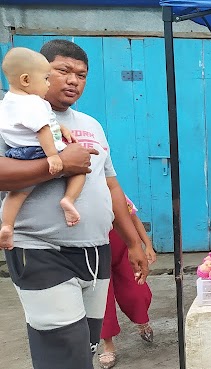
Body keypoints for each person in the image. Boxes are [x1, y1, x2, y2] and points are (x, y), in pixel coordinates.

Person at [0, 39, 149, 369]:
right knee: (62, 351)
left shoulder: (91, 124)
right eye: (63, 71)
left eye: (81, 75)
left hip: (96, 251)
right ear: (37, 73)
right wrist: (60, 164)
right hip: (41, 250)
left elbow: (111, 186)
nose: (73, 80)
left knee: (87, 345)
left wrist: (133, 243)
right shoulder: (11, 114)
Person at [0, 47, 86, 251]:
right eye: (46, 78)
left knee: (18, 193)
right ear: (26, 80)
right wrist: (56, 158)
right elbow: (43, 129)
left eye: (81, 75)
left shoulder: (7, 103)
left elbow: (39, 123)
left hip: (18, 152)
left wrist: (61, 126)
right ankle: (68, 199)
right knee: (79, 169)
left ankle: (7, 225)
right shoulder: (34, 103)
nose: (47, 84)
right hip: (40, 151)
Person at [99, 196, 156, 369]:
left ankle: (142, 321)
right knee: (102, 299)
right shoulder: (72, 192)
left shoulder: (113, 192)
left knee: (137, 289)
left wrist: (147, 245)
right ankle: (107, 345)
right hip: (95, 250)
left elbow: (133, 219)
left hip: (124, 248)